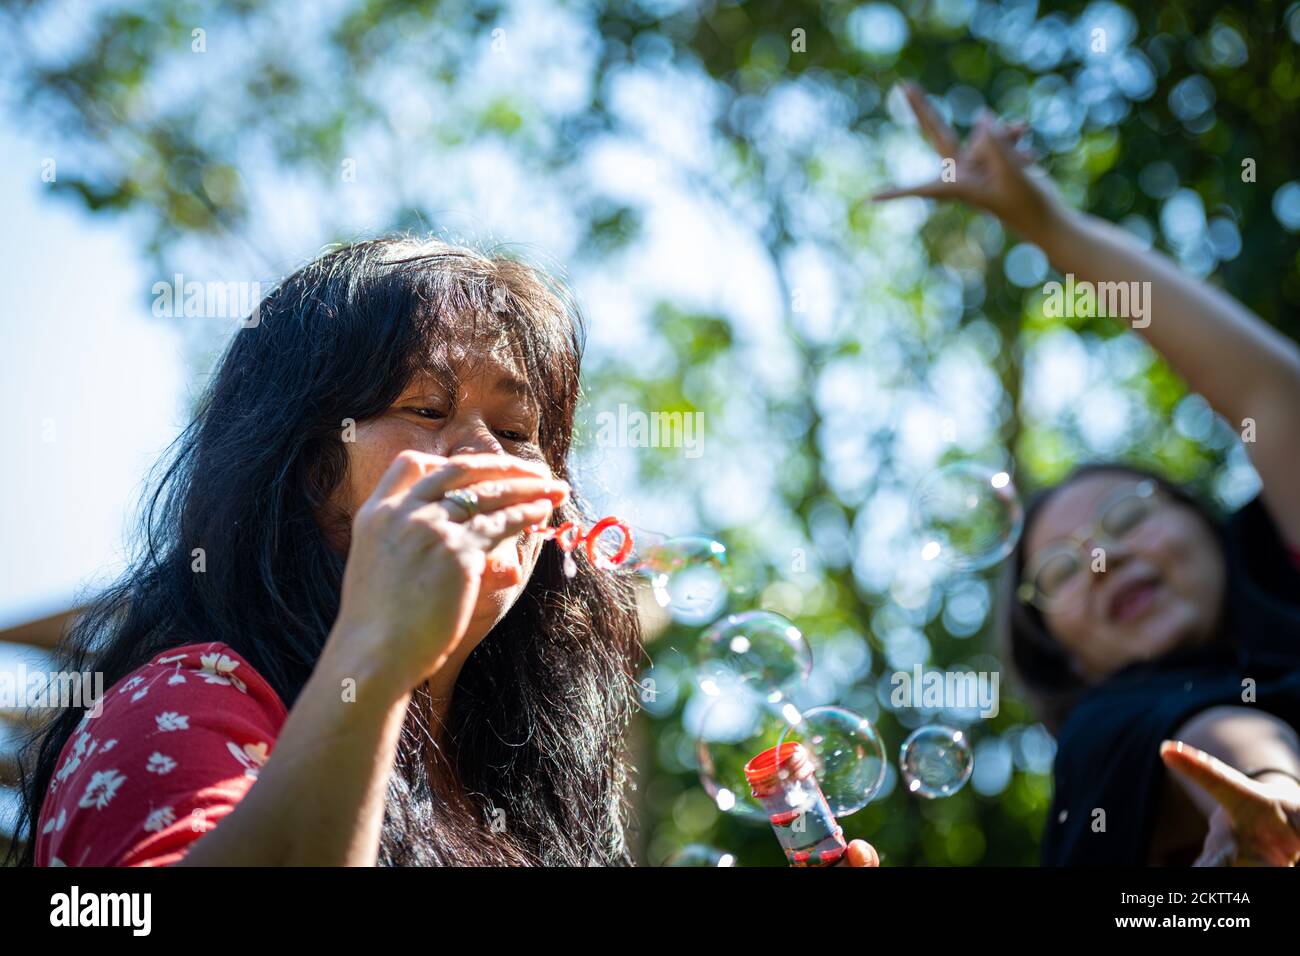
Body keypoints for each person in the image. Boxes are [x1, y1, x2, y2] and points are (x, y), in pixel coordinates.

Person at [9, 236, 879, 867]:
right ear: (307, 470)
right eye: (426, 409)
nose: (485, 457)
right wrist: (379, 651)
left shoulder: (515, 789)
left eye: (516, 429)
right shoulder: (188, 704)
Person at [877, 84, 1300, 866]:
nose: (1103, 560)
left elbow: (1274, 399)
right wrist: (1271, 793)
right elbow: (1210, 733)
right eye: (1063, 570)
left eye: (1129, 519)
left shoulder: (1282, 570)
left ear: (1205, 522)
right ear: (1061, 654)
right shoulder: (1105, 737)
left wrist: (1051, 227)